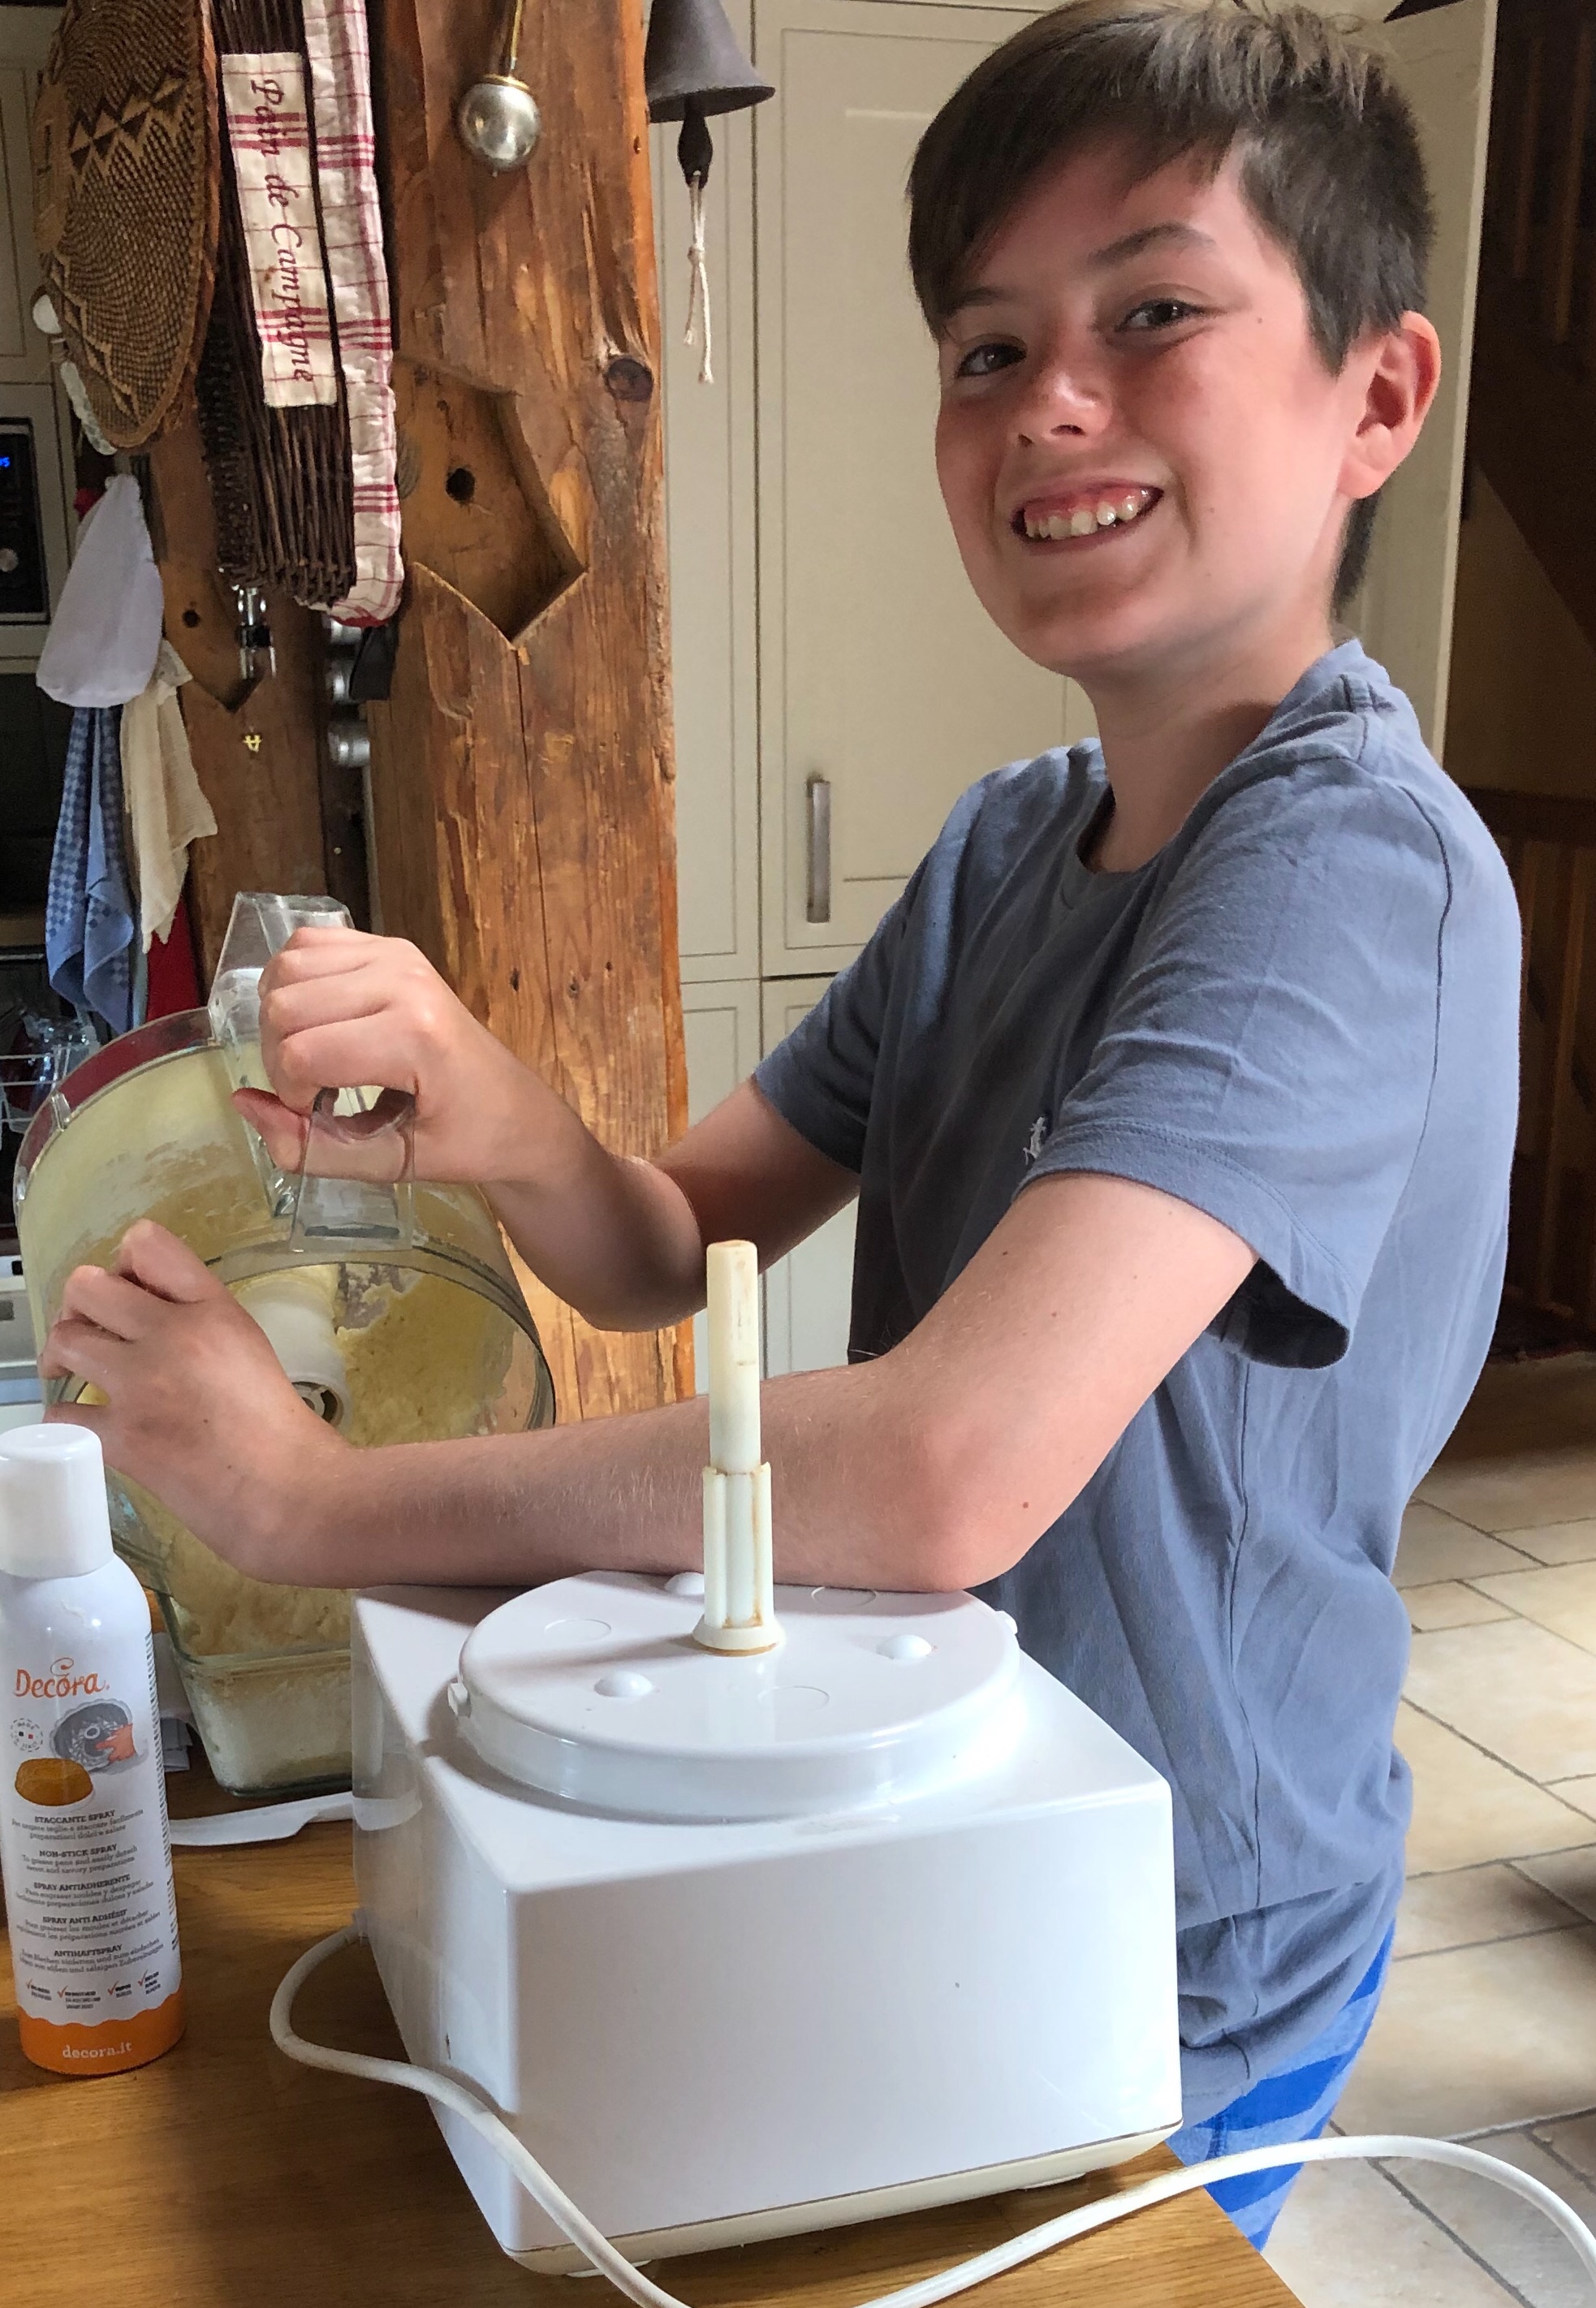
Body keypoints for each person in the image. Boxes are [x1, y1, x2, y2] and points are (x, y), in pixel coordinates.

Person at [42, 0, 1520, 2250]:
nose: (1052, 405)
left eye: (1152, 314)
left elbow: (942, 1470)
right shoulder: (1011, 841)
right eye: (987, 349)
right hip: (930, 1824)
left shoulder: (1347, 862)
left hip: (1172, 1940)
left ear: (1378, 398)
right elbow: (672, 1244)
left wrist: (310, 1499)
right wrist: (495, 1111)